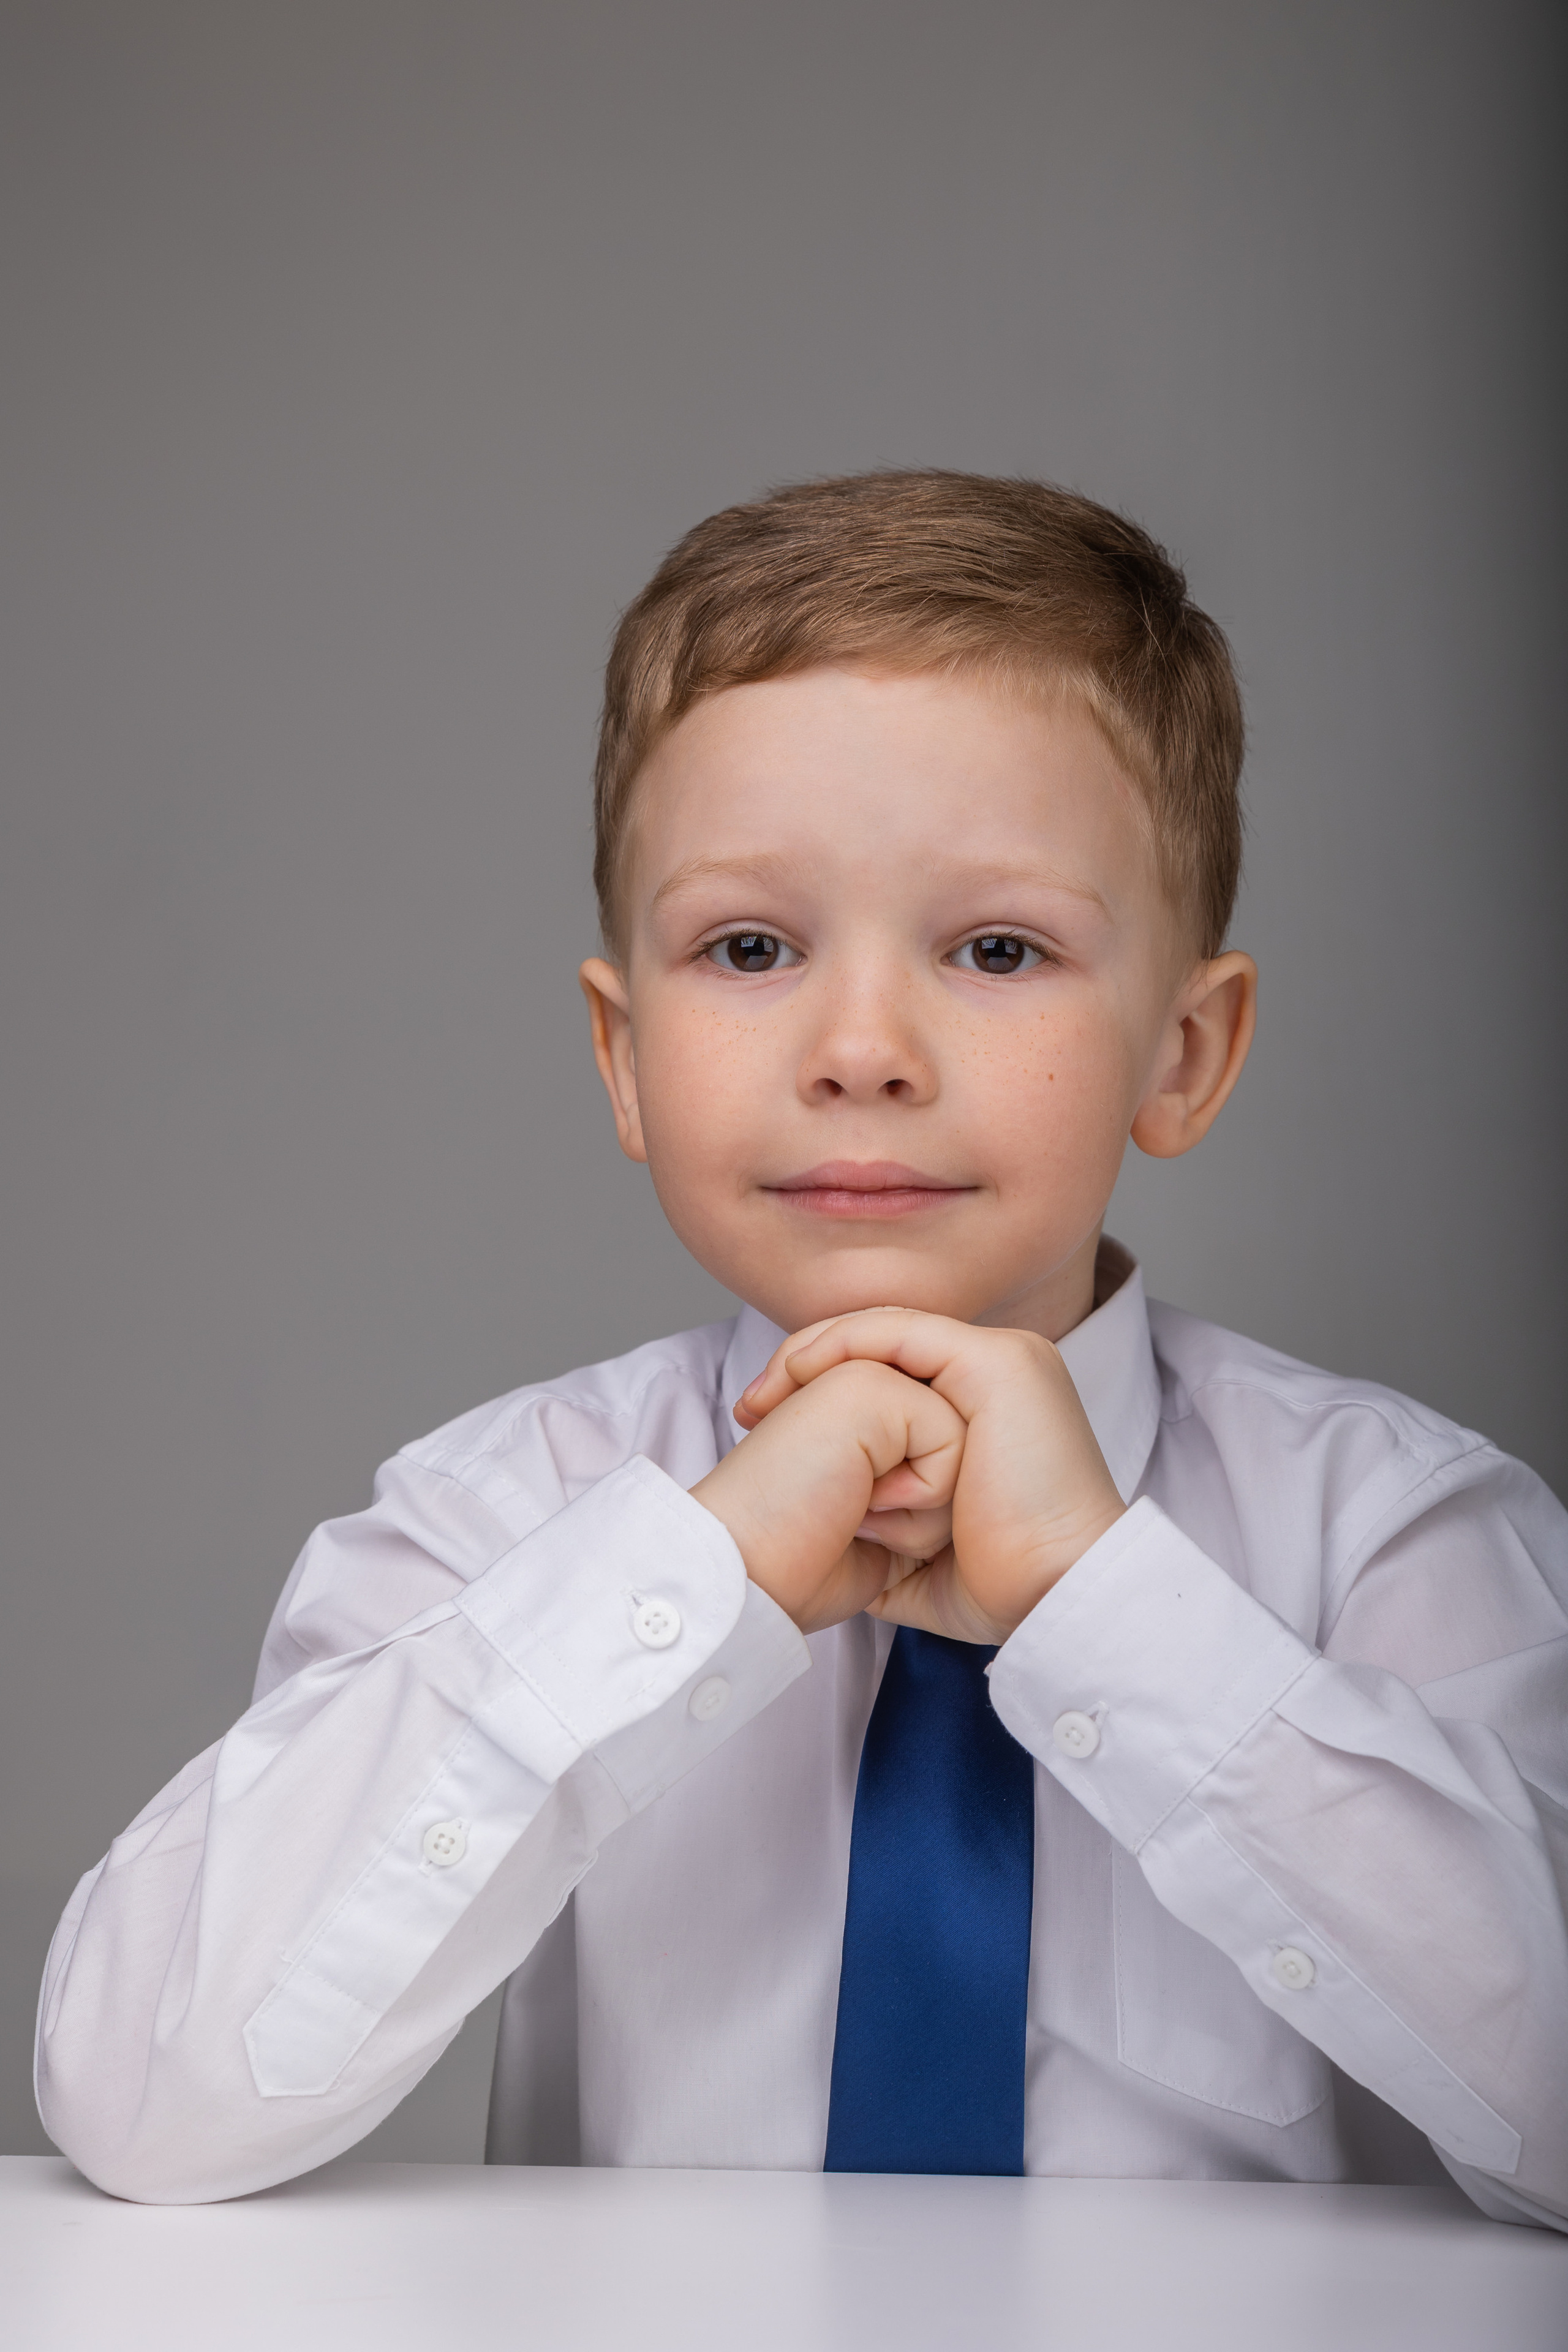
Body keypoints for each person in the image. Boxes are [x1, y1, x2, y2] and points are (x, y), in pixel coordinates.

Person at [36, 472, 1568, 2222]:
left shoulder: (1397, 1534)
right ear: (624, 1055)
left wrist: (1108, 1611)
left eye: (998, 948)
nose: (861, 1048)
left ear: (1187, 1055)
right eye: (749, 946)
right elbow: (146, 2107)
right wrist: (680, 1580)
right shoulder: (499, 1521)